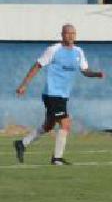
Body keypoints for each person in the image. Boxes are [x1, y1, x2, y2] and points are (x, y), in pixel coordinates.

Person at [13, 24, 105, 165]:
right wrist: (24, 85)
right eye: (68, 33)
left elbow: (85, 70)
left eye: (73, 33)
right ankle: (57, 158)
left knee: (48, 125)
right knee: (66, 124)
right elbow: (37, 66)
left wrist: (96, 74)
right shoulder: (53, 50)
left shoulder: (78, 52)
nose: (71, 36)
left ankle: (22, 143)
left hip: (63, 95)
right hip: (52, 93)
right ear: (62, 34)